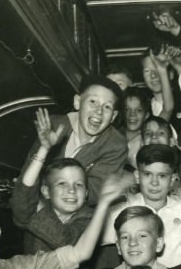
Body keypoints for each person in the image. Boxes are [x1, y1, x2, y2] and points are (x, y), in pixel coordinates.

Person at [19, 75, 127, 207]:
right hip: (37, 204)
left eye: (107, 107)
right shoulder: (53, 126)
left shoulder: (115, 145)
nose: (99, 111)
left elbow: (96, 191)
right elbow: (28, 177)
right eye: (93, 101)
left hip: (78, 213)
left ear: (113, 116)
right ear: (77, 102)